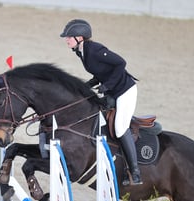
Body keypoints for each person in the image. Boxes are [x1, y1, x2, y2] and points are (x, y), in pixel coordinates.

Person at [60, 19, 142, 186]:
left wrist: (108, 85)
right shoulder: (80, 51)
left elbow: (120, 63)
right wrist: (87, 85)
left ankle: (135, 172)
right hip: (113, 91)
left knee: (120, 128)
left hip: (125, 91)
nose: (66, 39)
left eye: (69, 37)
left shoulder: (95, 49)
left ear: (80, 38)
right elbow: (101, 71)